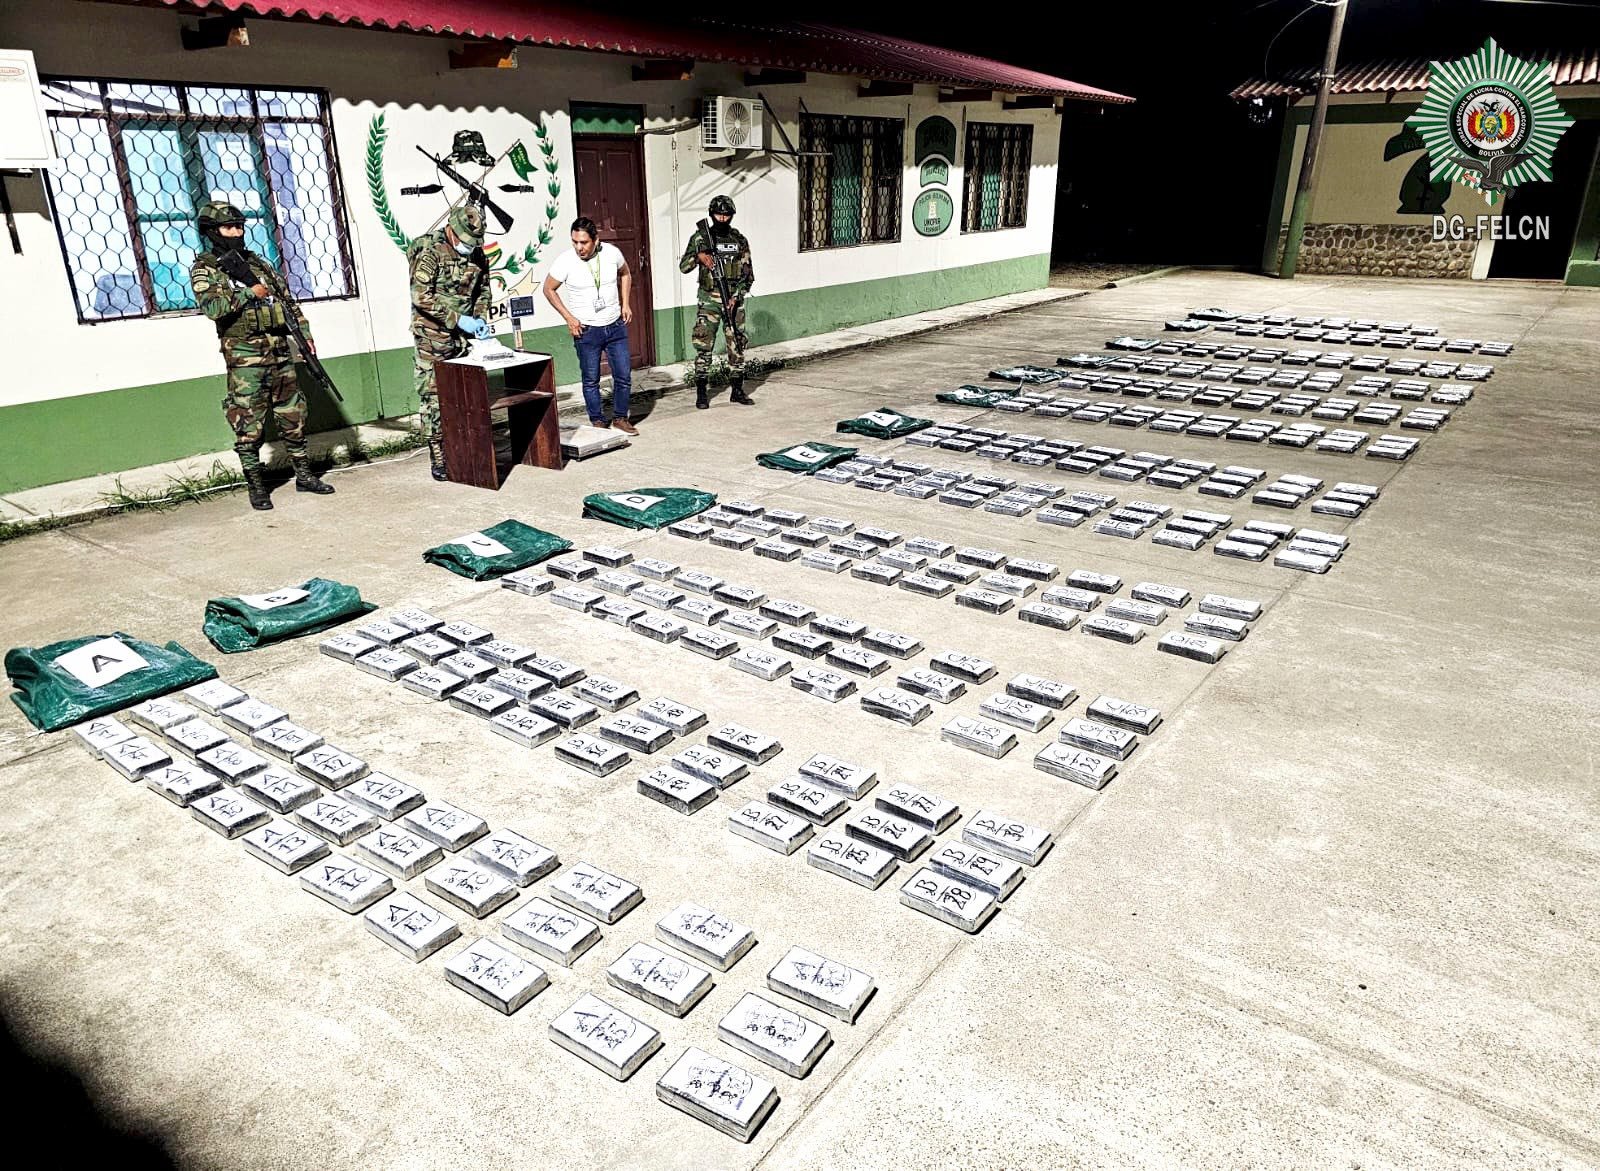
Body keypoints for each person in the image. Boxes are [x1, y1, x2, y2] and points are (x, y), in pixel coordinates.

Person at [190, 201, 334, 511]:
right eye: (229, 227)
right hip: (245, 358)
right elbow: (213, 308)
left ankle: (304, 475)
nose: (236, 232)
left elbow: (287, 302)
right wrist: (248, 292)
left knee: (293, 415)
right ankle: (256, 486)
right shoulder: (206, 268)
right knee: (248, 423)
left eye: (239, 227)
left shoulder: (258, 263)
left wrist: (305, 335)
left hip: (279, 351)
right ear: (212, 232)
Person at [409, 203, 493, 480]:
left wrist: (478, 318)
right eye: (465, 241)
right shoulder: (430, 251)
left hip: (464, 339)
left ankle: (464, 448)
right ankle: (439, 455)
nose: (470, 247)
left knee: (466, 394)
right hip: (433, 337)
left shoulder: (477, 253)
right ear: (452, 230)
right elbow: (421, 297)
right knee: (434, 397)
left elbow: (483, 290)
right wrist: (457, 319)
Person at [542, 216, 638, 434]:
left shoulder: (612, 253)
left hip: (615, 325)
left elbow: (625, 274)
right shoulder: (565, 261)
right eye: (575, 242)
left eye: (584, 242)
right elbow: (548, 289)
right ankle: (598, 422)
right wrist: (569, 318)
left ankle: (620, 418)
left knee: (623, 375)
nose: (579, 248)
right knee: (591, 379)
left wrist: (626, 303)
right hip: (586, 330)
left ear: (596, 240)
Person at [679, 194, 755, 410]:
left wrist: (736, 296)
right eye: (718, 214)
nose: (722, 218)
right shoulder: (700, 238)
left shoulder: (739, 240)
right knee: (703, 344)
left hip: (733, 301)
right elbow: (684, 267)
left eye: (726, 215)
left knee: (736, 344)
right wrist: (699, 257)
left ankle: (737, 390)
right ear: (711, 215)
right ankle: (702, 393)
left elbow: (748, 275)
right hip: (709, 300)